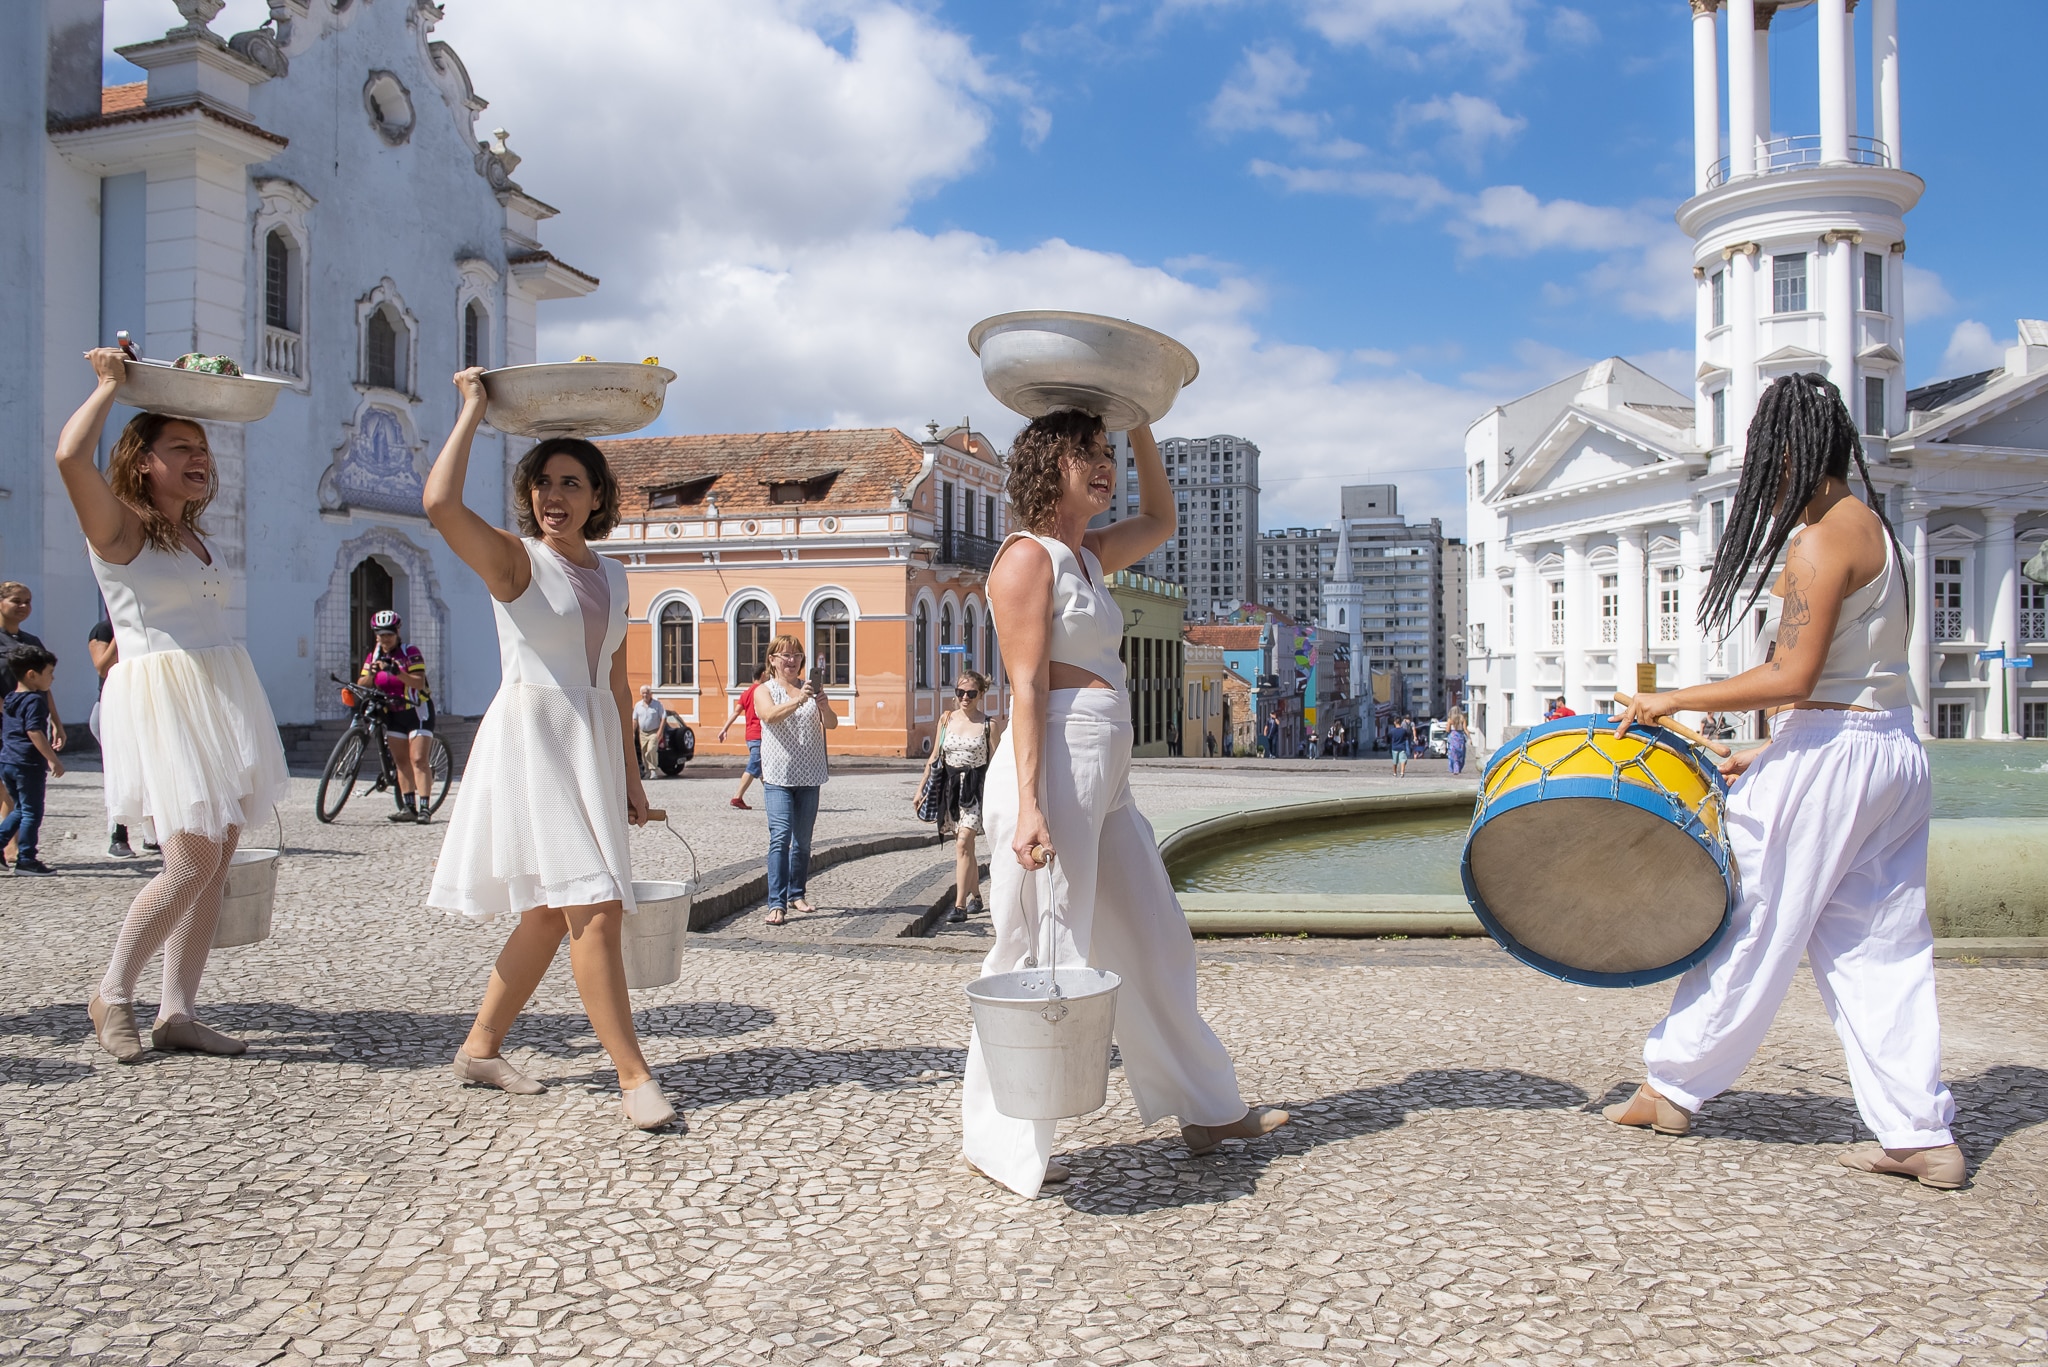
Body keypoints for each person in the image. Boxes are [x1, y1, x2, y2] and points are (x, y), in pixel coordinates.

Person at [1608, 372, 1961, 1189]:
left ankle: (1673, 1085)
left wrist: (1672, 700)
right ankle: (1917, 1130)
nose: (1759, 483)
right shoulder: (1877, 529)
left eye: (1764, 461)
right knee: (1882, 947)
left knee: (1749, 916)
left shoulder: (1818, 538)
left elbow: (1794, 675)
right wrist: (1767, 754)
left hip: (1834, 749)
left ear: (1791, 453)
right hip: (1893, 752)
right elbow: (1860, 682)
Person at [968, 409, 1289, 1199]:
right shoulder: (1026, 558)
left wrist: (1143, 426)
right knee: (1037, 945)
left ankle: (1206, 1107)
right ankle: (1003, 1141)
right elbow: (1026, 688)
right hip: (1054, 763)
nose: (1104, 468)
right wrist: (1035, 805)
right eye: (1089, 454)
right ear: (1050, 462)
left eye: (1107, 455)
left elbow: (1163, 518)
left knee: (1155, 937)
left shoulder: (1091, 555)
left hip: (1104, 767)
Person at [424, 367, 672, 1130]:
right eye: (541, 482)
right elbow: (438, 504)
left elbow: (620, 684)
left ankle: (480, 1046)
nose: (553, 495)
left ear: (598, 496)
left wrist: (632, 780)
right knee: (593, 910)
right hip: (534, 741)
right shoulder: (517, 561)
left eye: (571, 481)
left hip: (592, 742)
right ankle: (634, 1075)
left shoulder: (618, 573)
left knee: (542, 913)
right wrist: (471, 410)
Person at [55, 349, 292, 1063]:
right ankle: (112, 994)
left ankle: (178, 1011)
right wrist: (107, 387)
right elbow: (70, 457)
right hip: (164, 700)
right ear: (141, 460)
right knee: (187, 863)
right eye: (180, 447)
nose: (199, 457)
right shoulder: (120, 528)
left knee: (216, 864)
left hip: (217, 694)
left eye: (202, 447)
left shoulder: (190, 535)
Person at [755, 634, 837, 926]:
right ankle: (776, 903)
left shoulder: (811, 689)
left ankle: (797, 894)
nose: (791, 661)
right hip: (778, 775)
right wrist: (799, 699)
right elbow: (769, 716)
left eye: (796, 655)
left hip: (810, 774)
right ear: (773, 661)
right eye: (785, 655)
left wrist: (823, 706)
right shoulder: (764, 690)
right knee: (780, 838)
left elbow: (832, 724)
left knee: (802, 842)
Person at [917, 669, 997, 924]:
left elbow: (996, 763)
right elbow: (935, 757)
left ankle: (960, 905)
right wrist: (921, 788)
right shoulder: (946, 719)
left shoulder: (989, 725)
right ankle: (976, 896)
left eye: (971, 693)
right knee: (966, 849)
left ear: (981, 694)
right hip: (949, 791)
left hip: (974, 792)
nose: (965, 697)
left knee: (963, 844)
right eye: (960, 692)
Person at [0, 582, 64, 860]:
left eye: (28, 601)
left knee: (14, 788)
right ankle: (13, 847)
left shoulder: (31, 642)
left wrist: (57, 722)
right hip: (9, 721)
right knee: (7, 785)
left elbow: (44, 685)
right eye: (17, 601)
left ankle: (12, 847)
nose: (24, 606)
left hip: (24, 721)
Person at [358, 609, 436, 824]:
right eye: (382, 634)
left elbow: (418, 683)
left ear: (397, 632)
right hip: (394, 713)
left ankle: (424, 808)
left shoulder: (409, 652)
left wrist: (397, 672)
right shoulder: (374, 656)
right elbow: (362, 683)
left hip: (417, 710)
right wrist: (373, 673)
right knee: (401, 761)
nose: (386, 639)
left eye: (389, 634)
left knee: (418, 759)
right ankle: (408, 807)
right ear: (376, 635)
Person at [87, 618, 155, 858]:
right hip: (113, 709)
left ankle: (153, 836)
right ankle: (118, 837)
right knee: (122, 772)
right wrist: (121, 634)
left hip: (143, 704)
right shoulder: (104, 630)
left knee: (151, 771)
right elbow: (102, 667)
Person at [716, 667, 767, 810]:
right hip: (760, 735)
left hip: (750, 736)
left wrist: (724, 728)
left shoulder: (746, 693)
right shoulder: (764, 691)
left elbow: (735, 712)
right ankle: (737, 797)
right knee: (754, 765)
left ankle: (773, 797)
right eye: (768, 673)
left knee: (764, 769)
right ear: (763, 674)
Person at [632, 685, 666, 779]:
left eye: (646, 693)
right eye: (643, 693)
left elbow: (663, 717)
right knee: (644, 752)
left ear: (651, 694)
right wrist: (633, 732)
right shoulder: (638, 705)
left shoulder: (657, 704)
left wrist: (660, 731)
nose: (645, 695)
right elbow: (635, 719)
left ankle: (653, 770)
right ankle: (647, 771)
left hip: (654, 732)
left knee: (651, 750)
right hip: (642, 733)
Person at [1445, 708, 1470, 776]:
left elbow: (1447, 730)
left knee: (1453, 754)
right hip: (1460, 738)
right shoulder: (1462, 719)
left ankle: (1454, 768)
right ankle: (1458, 768)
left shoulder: (1450, 719)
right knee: (1460, 754)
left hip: (1453, 737)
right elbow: (1465, 729)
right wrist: (1470, 737)